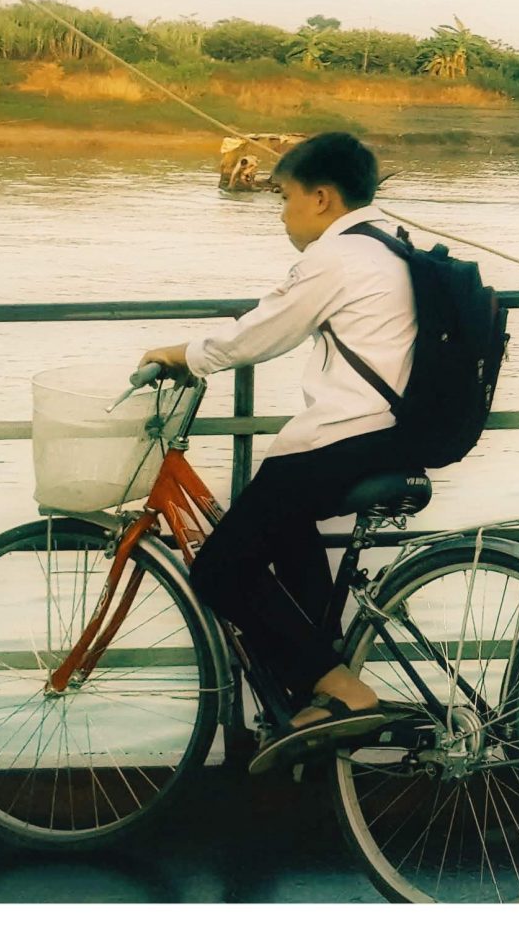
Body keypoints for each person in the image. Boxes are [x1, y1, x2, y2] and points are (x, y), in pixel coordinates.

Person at [136, 130, 417, 775]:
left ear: (321, 198)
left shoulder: (337, 255)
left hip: (349, 435)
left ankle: (342, 690)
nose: (282, 213)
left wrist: (180, 354)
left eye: (285, 197)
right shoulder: (389, 244)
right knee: (284, 525)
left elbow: (260, 334)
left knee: (218, 570)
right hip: (391, 433)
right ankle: (318, 692)